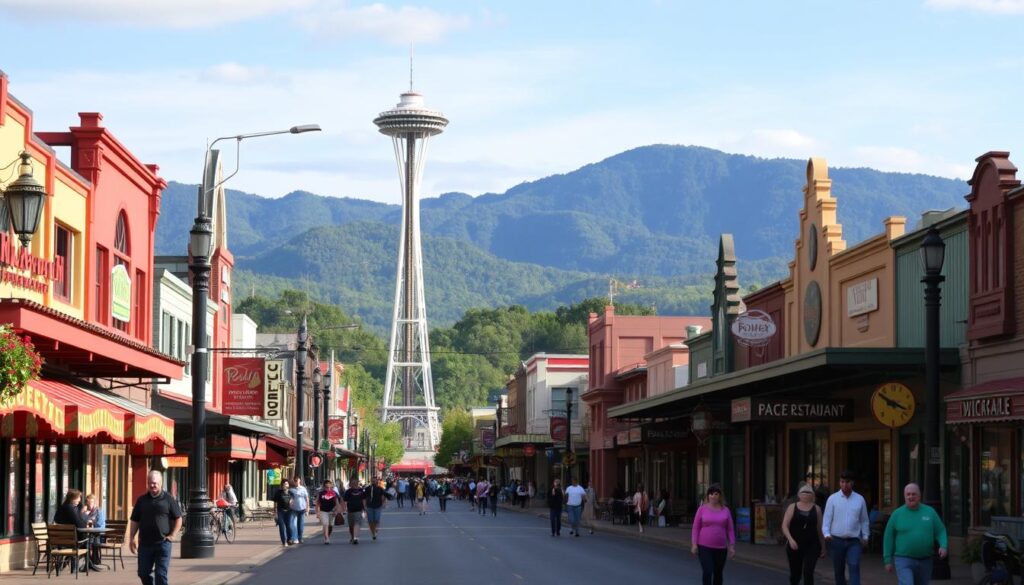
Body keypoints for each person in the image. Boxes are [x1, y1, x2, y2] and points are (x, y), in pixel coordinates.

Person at [883, 483, 949, 585]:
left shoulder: (929, 512)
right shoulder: (897, 514)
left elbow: (940, 531)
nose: (911, 497)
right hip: (903, 559)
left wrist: (943, 546)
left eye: (914, 494)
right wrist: (887, 559)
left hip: (925, 560)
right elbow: (889, 537)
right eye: (908, 494)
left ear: (919, 496)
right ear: (904, 496)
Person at [129, 471, 182, 585]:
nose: (152, 485)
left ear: (161, 483)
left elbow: (178, 518)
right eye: (149, 483)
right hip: (145, 544)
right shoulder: (141, 500)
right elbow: (135, 520)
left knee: (160, 574)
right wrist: (132, 537)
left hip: (163, 543)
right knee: (143, 573)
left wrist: (173, 535)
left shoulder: (168, 499)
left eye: (154, 483)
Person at [822, 470, 870, 585]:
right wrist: (827, 534)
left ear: (852, 483)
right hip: (836, 540)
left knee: (854, 565)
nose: (844, 485)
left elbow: (864, 520)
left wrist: (865, 536)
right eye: (842, 482)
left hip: (854, 540)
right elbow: (827, 520)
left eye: (847, 482)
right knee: (839, 570)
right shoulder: (832, 499)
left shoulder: (860, 499)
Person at [690, 483, 736, 585]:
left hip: (721, 548)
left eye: (716, 494)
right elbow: (695, 528)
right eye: (711, 494)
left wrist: (732, 546)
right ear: (707, 496)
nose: (713, 496)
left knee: (718, 573)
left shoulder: (726, 510)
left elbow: (730, 529)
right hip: (704, 547)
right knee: (708, 571)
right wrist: (694, 544)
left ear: (720, 496)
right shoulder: (702, 509)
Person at [781, 483, 826, 585]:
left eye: (808, 492)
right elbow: (784, 526)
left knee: (808, 572)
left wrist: (823, 547)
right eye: (803, 492)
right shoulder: (792, 507)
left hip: (812, 545)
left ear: (813, 495)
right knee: (795, 574)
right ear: (799, 495)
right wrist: (790, 539)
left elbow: (819, 529)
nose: (806, 494)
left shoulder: (817, 509)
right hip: (794, 545)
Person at [82, 494, 107, 566]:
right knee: (88, 539)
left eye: (91, 503)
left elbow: (99, 524)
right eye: (88, 503)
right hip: (90, 532)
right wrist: (83, 513)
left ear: (94, 503)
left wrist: (91, 521)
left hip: (99, 532)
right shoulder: (86, 511)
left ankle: (94, 560)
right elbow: (82, 521)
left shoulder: (99, 511)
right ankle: (90, 560)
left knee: (93, 540)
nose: (89, 505)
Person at [343, 478, 366, 544]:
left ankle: (355, 537)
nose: (354, 484)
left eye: (355, 483)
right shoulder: (348, 491)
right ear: (350, 484)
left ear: (357, 483)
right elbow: (345, 501)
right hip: (350, 510)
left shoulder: (361, 491)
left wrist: (364, 509)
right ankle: (352, 536)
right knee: (351, 526)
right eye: (353, 483)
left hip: (359, 510)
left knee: (357, 523)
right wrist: (344, 509)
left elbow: (363, 500)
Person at [315, 479, 339, 544]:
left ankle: (328, 535)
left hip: (332, 511)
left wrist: (336, 511)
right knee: (325, 524)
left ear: (331, 487)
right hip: (323, 511)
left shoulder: (334, 493)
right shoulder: (320, 494)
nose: (328, 489)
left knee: (330, 525)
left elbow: (337, 503)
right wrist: (317, 512)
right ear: (324, 487)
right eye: (326, 487)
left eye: (329, 487)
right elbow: (317, 503)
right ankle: (326, 538)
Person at [288, 476, 310, 545]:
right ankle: (292, 538)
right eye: (295, 480)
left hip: (302, 508)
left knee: (300, 524)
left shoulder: (303, 489)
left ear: (299, 481)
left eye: (297, 480)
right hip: (293, 509)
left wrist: (307, 507)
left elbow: (307, 498)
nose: (296, 482)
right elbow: (288, 498)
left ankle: (300, 538)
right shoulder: (291, 490)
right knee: (290, 523)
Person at [272, 479, 294, 546]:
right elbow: (275, 502)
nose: (285, 485)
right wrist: (275, 511)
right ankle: (284, 541)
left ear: (288, 485)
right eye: (284, 484)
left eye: (286, 484)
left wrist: (291, 501)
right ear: (282, 485)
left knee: (289, 526)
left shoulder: (290, 493)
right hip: (280, 511)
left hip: (289, 511)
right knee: (281, 526)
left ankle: (289, 539)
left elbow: (293, 499)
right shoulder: (278, 492)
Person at [365, 476, 386, 540]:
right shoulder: (367, 489)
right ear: (371, 481)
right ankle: (373, 534)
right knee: (371, 521)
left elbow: (383, 496)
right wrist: (364, 505)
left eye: (374, 481)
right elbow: (364, 497)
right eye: (372, 481)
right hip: (369, 506)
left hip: (378, 506)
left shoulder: (380, 488)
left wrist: (383, 503)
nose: (373, 482)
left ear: (377, 481)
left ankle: (376, 529)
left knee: (376, 519)